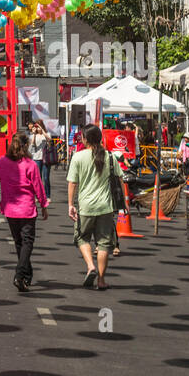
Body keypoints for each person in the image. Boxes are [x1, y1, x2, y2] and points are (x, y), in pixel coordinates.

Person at [0, 130, 49, 292]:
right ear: (26, 145)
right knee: (27, 242)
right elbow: (38, 187)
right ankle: (20, 275)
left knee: (19, 242)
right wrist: (43, 205)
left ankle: (26, 274)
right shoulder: (30, 164)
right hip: (27, 208)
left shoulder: (2, 161)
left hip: (10, 209)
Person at [67, 123, 120, 292]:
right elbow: (120, 180)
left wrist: (70, 204)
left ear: (84, 139)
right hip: (106, 206)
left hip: (86, 206)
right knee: (104, 244)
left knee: (82, 237)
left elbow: (72, 183)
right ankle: (102, 280)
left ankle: (91, 266)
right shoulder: (111, 157)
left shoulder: (78, 157)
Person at [28, 120, 52, 198]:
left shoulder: (47, 134)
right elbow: (32, 146)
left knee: (46, 178)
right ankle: (38, 196)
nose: (37, 128)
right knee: (38, 179)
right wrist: (34, 134)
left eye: (38, 127)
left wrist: (42, 129)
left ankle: (47, 196)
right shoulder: (32, 136)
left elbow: (49, 139)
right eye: (36, 127)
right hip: (36, 158)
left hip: (46, 158)